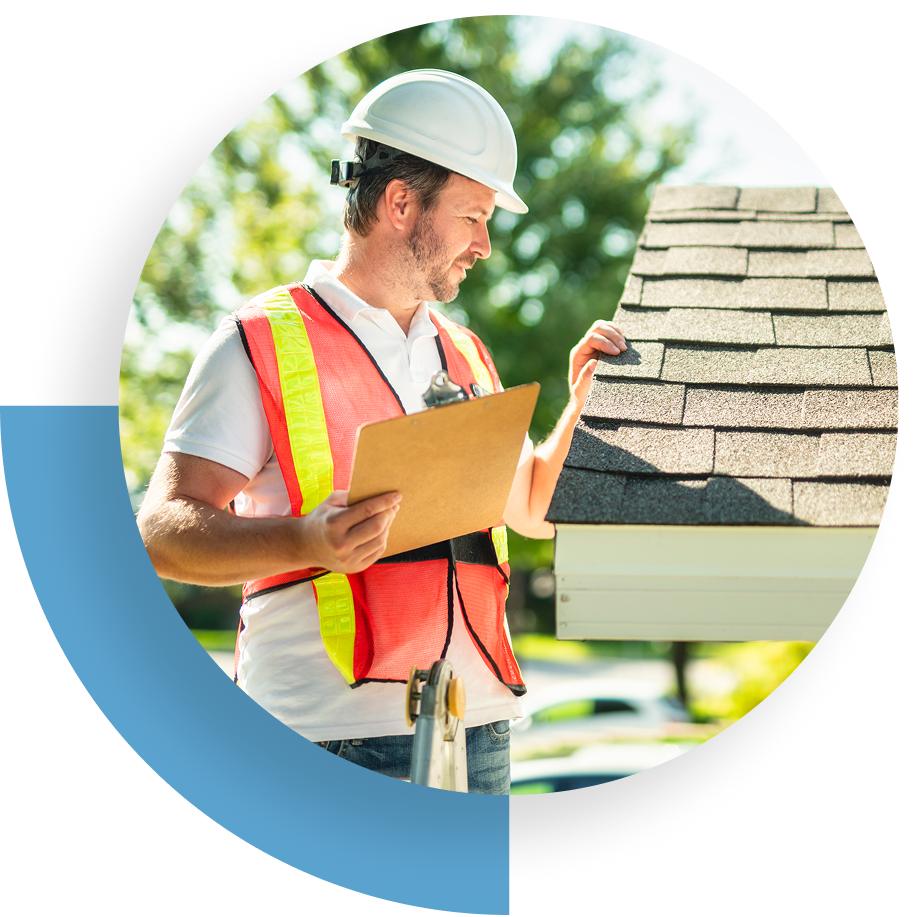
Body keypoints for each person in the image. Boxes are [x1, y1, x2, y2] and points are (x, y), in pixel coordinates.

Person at [137, 69, 627, 794]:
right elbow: (161, 533)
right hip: (325, 737)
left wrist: (582, 402)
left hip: (478, 728)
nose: (486, 244)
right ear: (401, 201)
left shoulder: (463, 353)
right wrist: (304, 540)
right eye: (473, 216)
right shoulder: (258, 340)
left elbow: (533, 508)